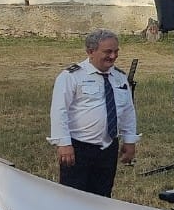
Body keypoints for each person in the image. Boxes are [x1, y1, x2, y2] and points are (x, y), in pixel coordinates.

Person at [49, 28, 139, 196]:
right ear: (90, 52)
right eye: (107, 52)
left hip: (108, 148)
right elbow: (59, 111)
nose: (113, 56)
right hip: (78, 149)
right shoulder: (71, 77)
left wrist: (129, 140)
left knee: (102, 197)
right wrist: (64, 144)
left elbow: (127, 110)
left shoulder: (120, 77)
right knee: (72, 199)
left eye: (116, 51)